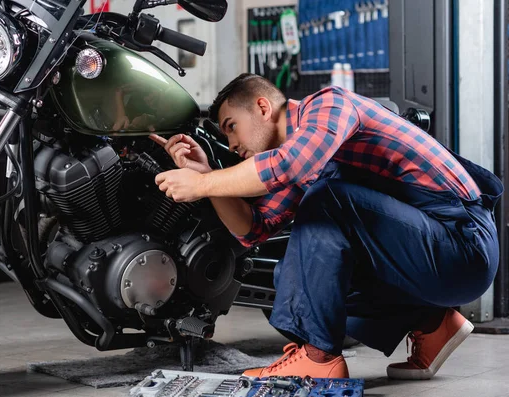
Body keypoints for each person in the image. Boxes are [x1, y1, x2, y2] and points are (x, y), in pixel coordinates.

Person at [149, 73, 503, 380]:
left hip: (463, 242)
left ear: (262, 107)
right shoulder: (301, 158)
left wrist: (200, 187)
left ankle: (318, 360)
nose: (232, 144)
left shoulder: (329, 106)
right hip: (432, 255)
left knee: (325, 199)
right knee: (301, 276)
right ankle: (432, 322)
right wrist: (207, 176)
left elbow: (293, 164)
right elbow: (252, 229)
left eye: (231, 127)